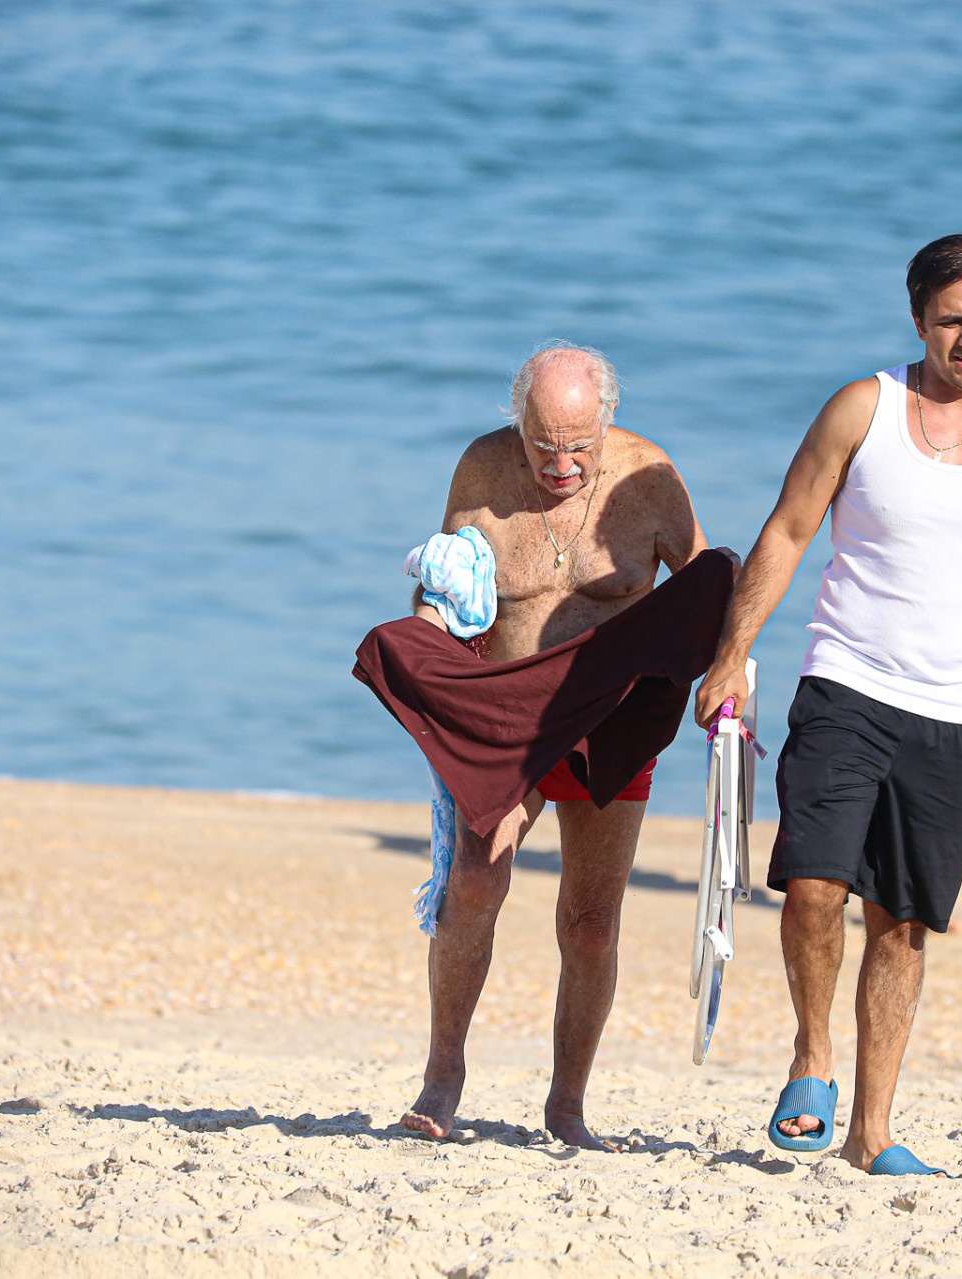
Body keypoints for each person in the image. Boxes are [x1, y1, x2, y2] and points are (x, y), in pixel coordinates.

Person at [694, 234, 962, 1175]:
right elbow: (790, 527)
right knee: (811, 887)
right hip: (845, 681)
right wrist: (732, 653)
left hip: (956, 712)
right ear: (919, 318)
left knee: (903, 922)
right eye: (951, 320)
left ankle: (872, 1132)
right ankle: (812, 1057)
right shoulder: (865, 408)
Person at [400, 341, 707, 1152]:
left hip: (611, 721)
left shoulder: (651, 479)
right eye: (544, 444)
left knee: (592, 921)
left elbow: (705, 588)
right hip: (510, 718)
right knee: (474, 883)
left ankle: (567, 1105)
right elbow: (445, 583)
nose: (562, 463)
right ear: (518, 423)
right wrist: (425, 653)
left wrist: (726, 671)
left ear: (606, 420)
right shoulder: (482, 470)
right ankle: (443, 1074)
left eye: (579, 445)